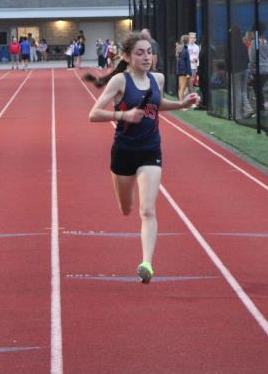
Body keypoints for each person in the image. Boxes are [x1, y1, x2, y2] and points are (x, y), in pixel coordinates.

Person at [85, 32, 201, 283]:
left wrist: (182, 104)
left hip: (150, 150)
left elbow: (156, 105)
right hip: (124, 152)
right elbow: (93, 114)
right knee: (126, 208)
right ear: (127, 57)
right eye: (140, 53)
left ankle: (146, 263)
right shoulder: (120, 81)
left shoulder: (157, 79)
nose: (146, 57)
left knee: (147, 210)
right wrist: (123, 116)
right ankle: (127, 204)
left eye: (149, 52)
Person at [175, 35, 191, 100]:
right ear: (187, 41)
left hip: (180, 71)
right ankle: (181, 103)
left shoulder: (180, 49)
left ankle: (181, 102)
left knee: (181, 88)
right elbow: (187, 63)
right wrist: (188, 73)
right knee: (182, 88)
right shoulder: (185, 50)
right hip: (184, 72)